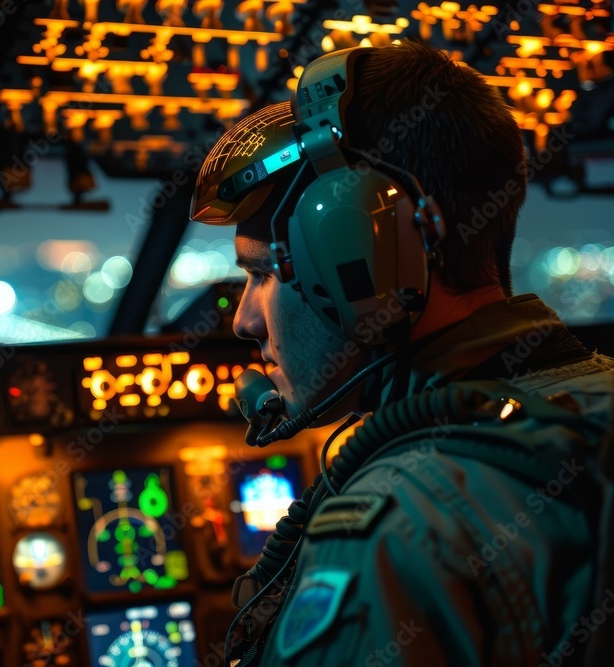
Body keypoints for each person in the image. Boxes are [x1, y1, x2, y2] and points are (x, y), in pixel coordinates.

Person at [190, 40, 614, 665]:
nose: (247, 320)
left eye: (264, 273)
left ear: (356, 252)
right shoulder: (591, 399)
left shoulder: (393, 535)